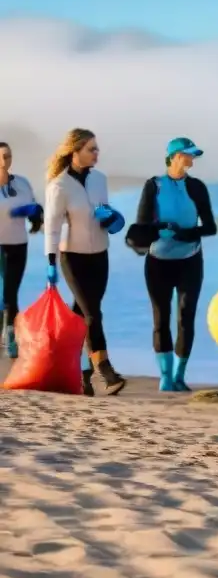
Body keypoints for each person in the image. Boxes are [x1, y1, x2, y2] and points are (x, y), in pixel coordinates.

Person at [43, 128, 127, 396]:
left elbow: (103, 212)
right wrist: (50, 261)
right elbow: (52, 227)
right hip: (73, 257)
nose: (96, 153)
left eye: (97, 148)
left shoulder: (100, 179)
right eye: (91, 149)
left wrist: (112, 218)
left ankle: (80, 375)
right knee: (93, 313)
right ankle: (105, 368)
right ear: (75, 151)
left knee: (82, 316)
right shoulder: (59, 185)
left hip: (100, 253)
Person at [132, 138, 217, 392]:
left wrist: (184, 234)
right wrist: (158, 231)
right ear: (174, 156)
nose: (192, 160)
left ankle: (180, 375)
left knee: (186, 317)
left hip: (190, 261)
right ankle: (165, 376)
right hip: (158, 262)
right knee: (161, 317)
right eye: (188, 155)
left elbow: (210, 227)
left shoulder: (198, 187)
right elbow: (141, 227)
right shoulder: (154, 186)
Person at [0, 142, 44, 359]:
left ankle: (10, 334)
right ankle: (8, 335)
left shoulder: (23, 184)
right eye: (0, 157)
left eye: (7, 156)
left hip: (18, 244)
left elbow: (35, 208)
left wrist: (35, 216)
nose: (3, 162)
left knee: (11, 292)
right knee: (3, 293)